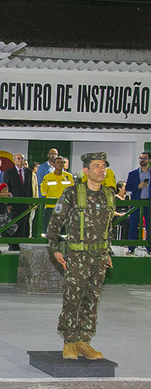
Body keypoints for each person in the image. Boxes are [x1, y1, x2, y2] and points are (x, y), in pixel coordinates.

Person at [48, 152, 113, 361]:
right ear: (85, 171)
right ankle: (69, 341)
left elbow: (108, 228)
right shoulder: (72, 193)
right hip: (78, 257)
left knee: (92, 300)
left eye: (103, 166)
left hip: (99, 257)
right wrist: (55, 249)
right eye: (96, 166)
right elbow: (54, 224)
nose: (101, 170)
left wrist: (108, 252)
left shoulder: (109, 195)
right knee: (72, 299)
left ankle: (84, 342)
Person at [3, 153, 33, 251]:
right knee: (13, 224)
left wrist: (30, 201)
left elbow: (29, 188)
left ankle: (23, 245)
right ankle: (13, 245)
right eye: (18, 158)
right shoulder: (9, 172)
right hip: (13, 203)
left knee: (24, 224)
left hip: (25, 203)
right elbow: (6, 188)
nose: (21, 160)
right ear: (14, 160)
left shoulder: (29, 172)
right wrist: (7, 204)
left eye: (22, 158)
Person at [40, 156, 74, 235]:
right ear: (54, 164)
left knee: (63, 226)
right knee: (48, 224)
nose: (60, 164)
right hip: (50, 205)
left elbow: (72, 190)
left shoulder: (69, 176)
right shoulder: (47, 177)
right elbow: (43, 191)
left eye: (62, 162)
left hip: (64, 205)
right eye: (57, 162)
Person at [124, 151, 150, 255]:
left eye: (145, 158)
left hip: (148, 203)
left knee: (149, 226)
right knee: (133, 224)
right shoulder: (133, 174)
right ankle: (131, 247)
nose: (142, 160)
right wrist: (138, 187)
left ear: (149, 160)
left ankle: (149, 247)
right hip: (136, 202)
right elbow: (127, 187)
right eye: (141, 158)